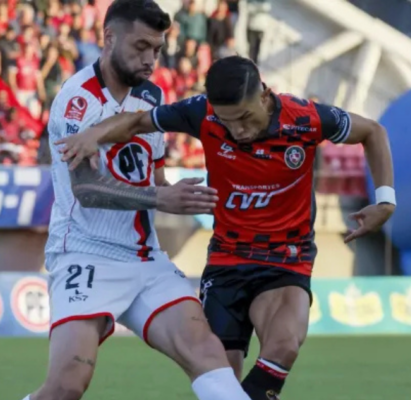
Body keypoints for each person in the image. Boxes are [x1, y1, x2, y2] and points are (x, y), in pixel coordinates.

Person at [56, 55, 397, 400]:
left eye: (246, 118)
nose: (239, 131)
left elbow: (372, 131)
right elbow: (137, 122)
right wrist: (92, 134)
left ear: (264, 96)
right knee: (221, 377)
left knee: (283, 347)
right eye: (227, 122)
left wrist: (384, 200)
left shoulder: (306, 119)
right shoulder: (200, 113)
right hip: (227, 260)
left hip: (286, 257)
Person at [22, 2, 253, 400]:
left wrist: (182, 193)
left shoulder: (152, 95)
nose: (150, 59)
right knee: (67, 384)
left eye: (158, 50)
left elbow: (154, 173)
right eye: (141, 46)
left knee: (205, 350)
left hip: (144, 258)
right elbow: (88, 190)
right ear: (109, 38)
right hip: (84, 253)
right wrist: (161, 197)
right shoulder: (77, 101)